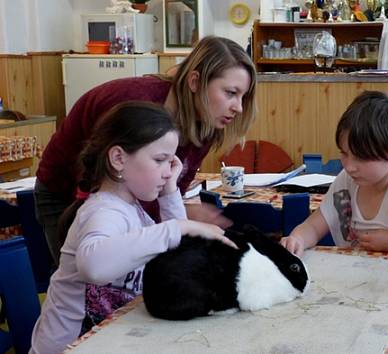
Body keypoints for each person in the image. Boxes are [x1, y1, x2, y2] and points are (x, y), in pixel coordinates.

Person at [30, 102, 238, 354]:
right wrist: (176, 228)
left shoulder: (133, 209)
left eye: (170, 162)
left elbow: (177, 254)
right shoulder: (104, 211)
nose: (167, 171)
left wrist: (170, 193)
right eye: (160, 160)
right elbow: (94, 266)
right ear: (118, 158)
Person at [35, 35, 256, 265]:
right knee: (91, 285)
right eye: (231, 93)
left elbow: (167, 190)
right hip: (68, 191)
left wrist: (180, 212)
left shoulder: (207, 123)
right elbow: (95, 261)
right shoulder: (133, 104)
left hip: (119, 196)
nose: (239, 107)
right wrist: (181, 222)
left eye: (243, 96)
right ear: (195, 82)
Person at [281, 91, 388, 256]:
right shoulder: (348, 179)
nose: (349, 167)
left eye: (362, 158)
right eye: (344, 153)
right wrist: (297, 238)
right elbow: (314, 226)